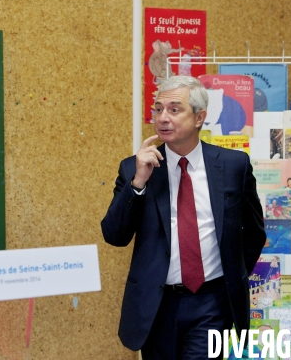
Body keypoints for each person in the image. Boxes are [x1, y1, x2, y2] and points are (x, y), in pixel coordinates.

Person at [101, 75, 266, 359]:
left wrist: (231, 278)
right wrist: (138, 184)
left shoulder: (232, 165)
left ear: (199, 117)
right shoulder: (134, 169)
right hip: (157, 303)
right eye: (158, 109)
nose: (163, 118)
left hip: (212, 302)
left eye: (174, 109)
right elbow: (114, 235)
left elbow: (253, 232)